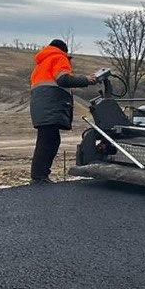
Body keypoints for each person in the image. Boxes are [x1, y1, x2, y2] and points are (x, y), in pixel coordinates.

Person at [29, 39, 96, 184]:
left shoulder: (41, 64)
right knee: (50, 141)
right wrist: (86, 80)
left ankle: (39, 175)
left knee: (45, 140)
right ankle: (39, 177)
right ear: (63, 50)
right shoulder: (59, 57)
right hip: (51, 105)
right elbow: (63, 79)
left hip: (40, 106)